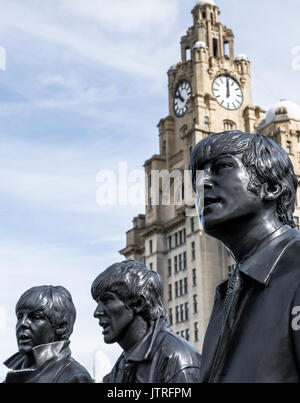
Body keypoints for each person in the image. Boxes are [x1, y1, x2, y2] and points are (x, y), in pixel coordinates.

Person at [190, 130, 300, 383]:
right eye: (198, 175)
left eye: (222, 167)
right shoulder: (225, 295)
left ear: (271, 187)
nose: (202, 183)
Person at [91, 260, 201, 383]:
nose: (97, 312)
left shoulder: (177, 359)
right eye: (98, 303)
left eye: (107, 300)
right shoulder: (121, 364)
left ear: (138, 303)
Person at [4, 285, 92, 383]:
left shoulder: (73, 377)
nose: (22, 323)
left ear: (61, 327)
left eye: (36, 317)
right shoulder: (13, 376)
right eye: (20, 316)